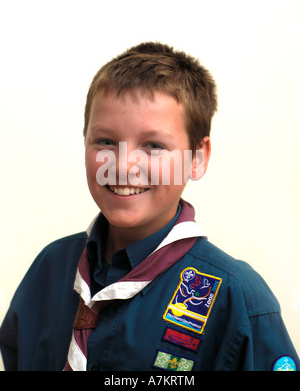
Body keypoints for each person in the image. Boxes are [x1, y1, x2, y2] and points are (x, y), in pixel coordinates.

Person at [0, 42, 298, 371]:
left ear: (197, 158)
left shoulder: (236, 297)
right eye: (105, 142)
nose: (124, 166)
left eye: (153, 146)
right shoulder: (51, 268)